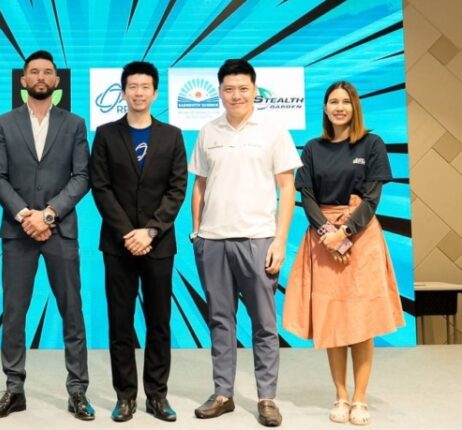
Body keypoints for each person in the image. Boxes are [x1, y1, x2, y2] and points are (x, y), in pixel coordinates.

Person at [282, 81, 405, 426]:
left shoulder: (372, 143)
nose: (339, 107)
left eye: (345, 102)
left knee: (362, 322)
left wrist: (345, 234)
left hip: (361, 236)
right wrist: (329, 235)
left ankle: (360, 398)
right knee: (333, 319)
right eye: (333, 102)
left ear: (355, 107)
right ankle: (340, 395)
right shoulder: (312, 147)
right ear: (325, 108)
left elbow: (372, 198)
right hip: (323, 238)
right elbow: (306, 196)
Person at [188, 59, 301, 427]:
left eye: (243, 88)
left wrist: (279, 241)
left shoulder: (273, 131)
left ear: (255, 90)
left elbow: (287, 189)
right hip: (213, 241)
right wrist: (196, 233)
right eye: (228, 89)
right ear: (219, 92)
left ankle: (267, 398)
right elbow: (200, 185)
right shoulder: (208, 131)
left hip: (258, 239)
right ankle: (223, 394)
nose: (235, 95)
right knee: (220, 321)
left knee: (264, 323)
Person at [0, 50, 93, 420]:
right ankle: (14, 389)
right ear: (23, 79)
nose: (41, 77)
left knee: (72, 312)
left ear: (57, 81)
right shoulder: (4, 123)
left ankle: (77, 390)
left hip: (60, 230)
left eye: (48, 72)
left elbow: (82, 176)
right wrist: (24, 215)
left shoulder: (74, 124)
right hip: (17, 233)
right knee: (15, 313)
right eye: (34, 72)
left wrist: (47, 215)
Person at [90, 61, 187, 422]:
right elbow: (100, 187)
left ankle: (157, 395)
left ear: (155, 92)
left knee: (159, 322)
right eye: (132, 86)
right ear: (123, 91)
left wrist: (150, 231)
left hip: (158, 245)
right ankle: (125, 396)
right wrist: (128, 233)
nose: (139, 92)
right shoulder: (105, 134)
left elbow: (177, 189)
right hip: (118, 245)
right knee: (120, 322)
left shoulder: (172, 135)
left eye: (145, 87)